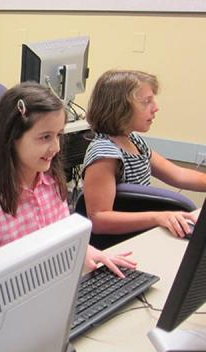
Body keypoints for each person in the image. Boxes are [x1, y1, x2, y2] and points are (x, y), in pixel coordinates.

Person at [0, 83, 136, 277]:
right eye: (45, 137)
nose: (56, 147)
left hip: (47, 285)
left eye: (59, 135)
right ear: (12, 137)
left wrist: (89, 251)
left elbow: (64, 235)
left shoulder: (51, 183)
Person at [83, 70, 206, 238]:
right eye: (146, 102)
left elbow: (179, 175)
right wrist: (158, 216)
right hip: (121, 243)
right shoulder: (105, 154)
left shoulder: (133, 140)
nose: (155, 108)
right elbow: (98, 219)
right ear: (121, 108)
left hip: (140, 234)